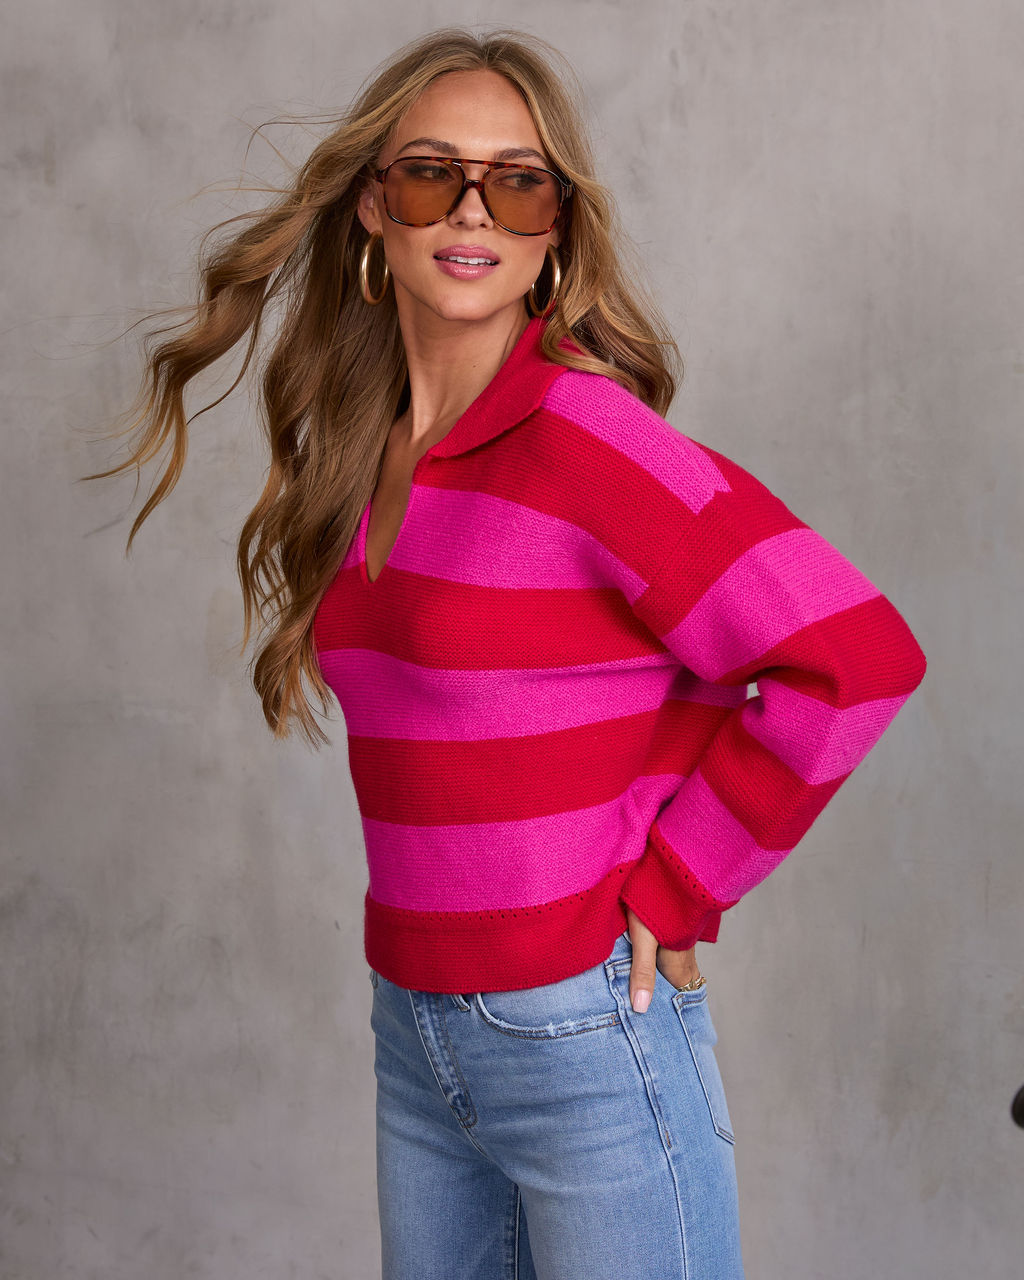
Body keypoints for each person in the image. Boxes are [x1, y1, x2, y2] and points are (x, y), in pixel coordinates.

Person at [85, 26, 927, 1280]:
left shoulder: (586, 436)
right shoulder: (372, 452)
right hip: (416, 1039)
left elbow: (853, 654)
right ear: (374, 204)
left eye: (517, 183)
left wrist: (678, 882)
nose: (472, 209)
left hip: (581, 1036)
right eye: (432, 173)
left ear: (554, 228)